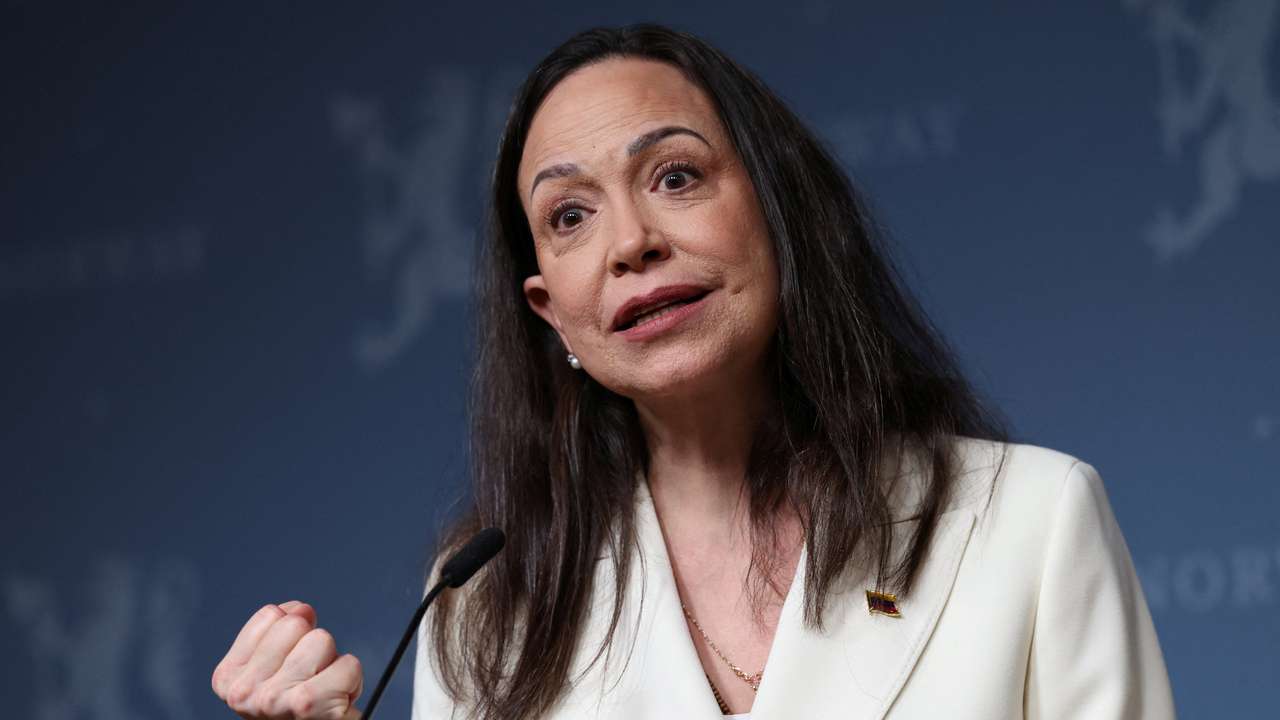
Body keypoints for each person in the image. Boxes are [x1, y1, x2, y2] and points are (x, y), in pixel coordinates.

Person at [212, 24, 1176, 720]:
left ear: (780, 215)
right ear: (552, 312)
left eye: (675, 176)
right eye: (570, 216)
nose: (630, 242)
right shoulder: (488, 604)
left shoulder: (1033, 522)